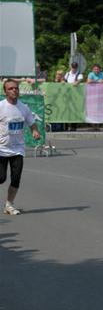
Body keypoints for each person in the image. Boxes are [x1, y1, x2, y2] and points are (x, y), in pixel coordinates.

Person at [0, 79, 41, 214]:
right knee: (1, 178)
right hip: (1, 149)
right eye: (10, 88)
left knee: (16, 178)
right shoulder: (1, 107)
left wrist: (35, 131)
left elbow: (31, 122)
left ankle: (9, 205)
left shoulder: (24, 107)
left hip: (18, 149)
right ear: (5, 92)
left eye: (16, 88)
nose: (14, 90)